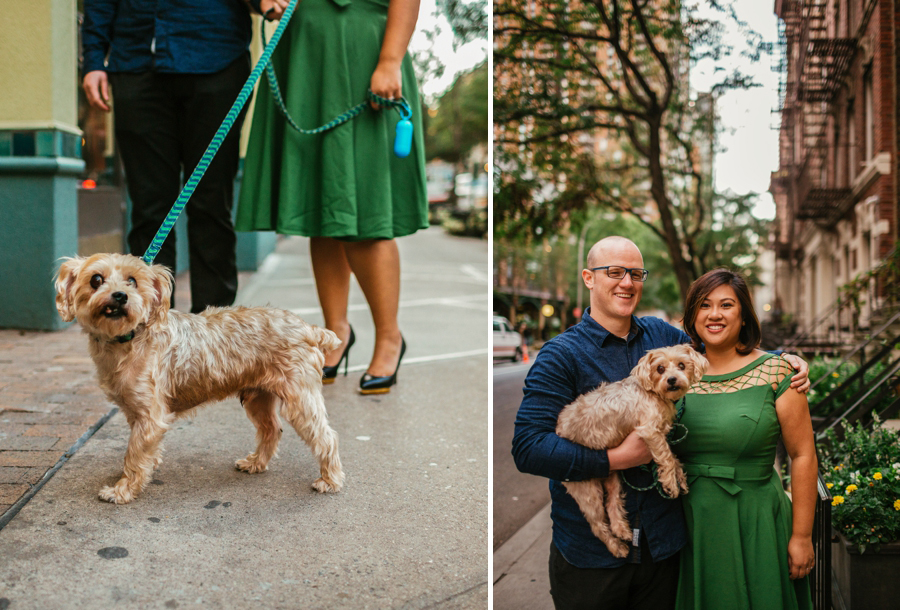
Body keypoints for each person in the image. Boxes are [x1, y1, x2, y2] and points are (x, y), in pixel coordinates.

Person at [511, 236, 810, 610]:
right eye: (615, 272)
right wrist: (615, 459)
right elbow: (528, 448)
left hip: (665, 550)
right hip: (593, 559)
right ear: (589, 278)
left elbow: (719, 347)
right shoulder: (560, 355)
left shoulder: (661, 335)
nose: (627, 283)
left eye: (635, 274)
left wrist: (785, 360)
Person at [235, 0, 428, 394]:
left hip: (365, 50)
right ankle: (336, 333)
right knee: (319, 211)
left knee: (367, 215)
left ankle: (390, 337)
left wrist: (391, 59)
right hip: (305, 54)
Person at [82, 0, 254, 313]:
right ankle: (150, 331)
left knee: (211, 205)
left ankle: (213, 337)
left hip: (217, 59)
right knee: (149, 211)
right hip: (135, 64)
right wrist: (93, 58)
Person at [674, 269, 815, 610]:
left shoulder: (777, 372)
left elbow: (803, 455)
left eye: (726, 304)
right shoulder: (675, 372)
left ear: (743, 315)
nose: (715, 314)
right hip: (688, 524)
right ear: (693, 315)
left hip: (757, 521)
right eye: (704, 305)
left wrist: (802, 536)